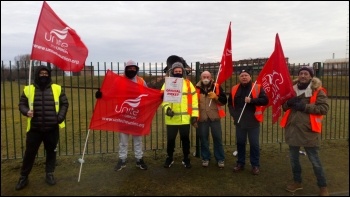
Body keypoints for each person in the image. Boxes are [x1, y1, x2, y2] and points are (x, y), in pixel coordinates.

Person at [16, 65, 69, 190]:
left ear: (49, 75)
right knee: (29, 153)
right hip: (34, 129)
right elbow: (22, 104)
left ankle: (49, 174)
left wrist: (59, 118)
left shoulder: (57, 88)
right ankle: (23, 177)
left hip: (52, 128)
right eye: (41, 73)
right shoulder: (28, 89)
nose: (44, 75)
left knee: (51, 152)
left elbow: (64, 104)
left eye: (46, 73)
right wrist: (26, 111)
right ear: (36, 74)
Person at [280, 66, 329, 196]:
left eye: (306, 74)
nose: (303, 76)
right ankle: (297, 182)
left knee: (315, 161)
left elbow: (324, 108)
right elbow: (284, 106)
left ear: (311, 76)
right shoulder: (292, 90)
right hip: (293, 130)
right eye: (301, 73)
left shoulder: (318, 91)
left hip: (309, 132)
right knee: (294, 160)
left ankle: (323, 186)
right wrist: (288, 103)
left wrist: (305, 106)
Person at [95, 60, 148, 171]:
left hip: (137, 115)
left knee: (138, 140)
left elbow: (148, 94)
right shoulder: (119, 80)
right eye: (129, 68)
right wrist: (101, 95)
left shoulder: (141, 81)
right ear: (125, 69)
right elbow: (111, 94)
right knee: (123, 140)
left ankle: (139, 159)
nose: (131, 70)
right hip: (123, 114)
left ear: (136, 69)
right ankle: (122, 159)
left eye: (133, 68)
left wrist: (158, 97)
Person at [227, 69, 268, 175]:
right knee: (240, 143)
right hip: (240, 122)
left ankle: (255, 165)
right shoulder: (234, 88)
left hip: (253, 122)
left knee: (254, 144)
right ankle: (240, 163)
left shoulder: (257, 87)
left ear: (250, 77)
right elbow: (230, 104)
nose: (244, 77)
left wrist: (252, 101)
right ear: (239, 77)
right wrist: (234, 115)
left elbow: (265, 100)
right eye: (242, 75)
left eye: (246, 75)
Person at [161, 61, 199, 169]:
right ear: (172, 71)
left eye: (180, 70)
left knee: (185, 140)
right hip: (172, 118)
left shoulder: (188, 83)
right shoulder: (167, 84)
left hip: (185, 119)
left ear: (183, 71)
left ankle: (186, 158)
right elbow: (163, 98)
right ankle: (169, 157)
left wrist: (194, 115)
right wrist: (167, 109)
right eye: (176, 71)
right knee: (171, 140)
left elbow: (194, 100)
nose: (178, 72)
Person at [195, 71, 227, 168]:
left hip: (214, 117)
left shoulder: (216, 86)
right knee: (204, 139)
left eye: (207, 76)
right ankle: (205, 158)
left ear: (211, 77)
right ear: (201, 78)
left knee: (217, 139)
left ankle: (220, 159)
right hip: (202, 118)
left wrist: (216, 97)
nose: (206, 78)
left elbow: (224, 101)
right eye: (204, 76)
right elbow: (192, 103)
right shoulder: (196, 88)